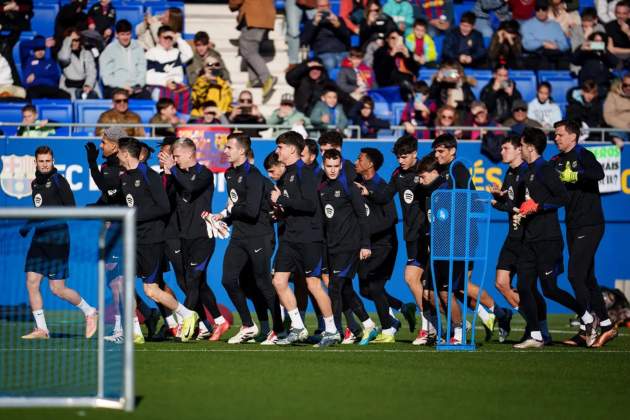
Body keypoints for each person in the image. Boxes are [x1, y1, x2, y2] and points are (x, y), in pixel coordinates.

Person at [202, 133, 282, 344]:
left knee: (263, 283)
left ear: (242, 151)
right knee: (228, 280)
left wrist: (227, 213)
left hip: (259, 235)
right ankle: (248, 325)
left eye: (229, 147)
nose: (225, 151)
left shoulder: (254, 176)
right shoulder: (230, 174)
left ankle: (279, 329)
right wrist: (222, 220)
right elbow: (235, 207)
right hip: (239, 236)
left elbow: (251, 211)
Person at [117, 137, 199, 344]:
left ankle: (187, 314)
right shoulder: (124, 177)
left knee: (151, 290)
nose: (116, 155)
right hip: (132, 239)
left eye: (118, 152)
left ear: (126, 154)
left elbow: (163, 207)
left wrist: (134, 215)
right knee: (121, 284)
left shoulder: (149, 175)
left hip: (151, 240)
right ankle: (135, 332)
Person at [432, 134, 511, 341]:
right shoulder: (443, 170)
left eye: (441, 151)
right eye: (436, 150)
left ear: (452, 151)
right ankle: (496, 314)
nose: (437, 154)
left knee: (457, 287)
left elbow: (472, 201)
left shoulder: (457, 169)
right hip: (452, 236)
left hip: (462, 237)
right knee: (458, 287)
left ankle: (493, 314)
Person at [551, 120, 618, 348]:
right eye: (555, 135)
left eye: (560, 135)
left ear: (573, 136)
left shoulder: (583, 154)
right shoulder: (556, 161)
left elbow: (598, 173)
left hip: (590, 224)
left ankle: (590, 323)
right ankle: (607, 327)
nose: (556, 138)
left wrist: (576, 174)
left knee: (574, 275)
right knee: (588, 278)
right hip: (572, 224)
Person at [19, 146, 98, 340]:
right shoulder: (35, 183)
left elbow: (71, 209)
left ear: (53, 161)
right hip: (39, 238)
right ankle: (42, 329)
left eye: (48, 161)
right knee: (32, 282)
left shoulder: (59, 181)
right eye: (41, 161)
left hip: (57, 239)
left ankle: (89, 311)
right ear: (35, 162)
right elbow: (39, 210)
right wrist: (28, 225)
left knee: (57, 289)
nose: (45, 164)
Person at [269, 131, 338, 346]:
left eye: (280, 147)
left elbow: (310, 205)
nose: (277, 151)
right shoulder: (288, 174)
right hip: (290, 237)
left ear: (292, 149)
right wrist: (279, 211)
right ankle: (298, 327)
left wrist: (282, 200)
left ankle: (332, 330)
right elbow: (294, 205)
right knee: (279, 281)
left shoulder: (305, 173)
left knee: (313, 284)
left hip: (309, 237)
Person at [157, 138, 230, 342]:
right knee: (194, 283)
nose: (175, 159)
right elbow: (164, 198)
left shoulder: (204, 173)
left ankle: (188, 322)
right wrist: (167, 173)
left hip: (203, 237)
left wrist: (174, 170)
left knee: (192, 280)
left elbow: (190, 186)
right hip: (183, 236)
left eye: (177, 156)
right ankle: (216, 321)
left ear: (190, 154)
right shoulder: (176, 174)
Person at [364, 135, 432, 345]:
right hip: (411, 236)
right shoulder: (397, 174)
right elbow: (385, 196)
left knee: (426, 283)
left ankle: (437, 326)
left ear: (414, 154)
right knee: (419, 282)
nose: (401, 161)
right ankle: (435, 326)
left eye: (404, 157)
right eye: (398, 157)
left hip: (428, 234)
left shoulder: (426, 172)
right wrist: (368, 192)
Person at [513, 127, 570, 348]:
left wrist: (539, 206)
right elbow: (520, 204)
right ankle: (535, 335)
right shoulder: (526, 172)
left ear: (529, 146)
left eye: (521, 144)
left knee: (550, 288)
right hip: (530, 238)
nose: (519, 148)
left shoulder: (545, 169)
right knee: (524, 286)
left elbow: (562, 198)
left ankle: (586, 316)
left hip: (548, 238)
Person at [354, 147, 416, 343]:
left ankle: (388, 330)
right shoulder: (359, 184)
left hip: (384, 245)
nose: (356, 161)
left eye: (360, 158)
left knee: (375, 285)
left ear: (370, 164)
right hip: (367, 244)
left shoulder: (381, 186)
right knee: (365, 289)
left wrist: (365, 232)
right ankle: (402, 308)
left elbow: (390, 219)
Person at [318, 148, 378, 346]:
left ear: (341, 165)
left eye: (336, 166)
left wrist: (365, 244)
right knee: (345, 290)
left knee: (335, 288)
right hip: (332, 246)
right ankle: (369, 325)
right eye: (329, 166)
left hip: (349, 246)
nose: (333, 170)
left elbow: (363, 216)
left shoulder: (349, 187)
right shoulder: (323, 188)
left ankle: (332, 332)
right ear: (323, 165)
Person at [416, 154, 467, 344]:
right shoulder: (431, 193)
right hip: (436, 250)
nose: (421, 181)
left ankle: (459, 333)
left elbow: (454, 220)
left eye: (423, 177)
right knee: (428, 293)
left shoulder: (447, 190)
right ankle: (455, 325)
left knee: (447, 293)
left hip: (452, 249)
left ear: (435, 173)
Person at [489, 135, 528, 342]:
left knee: (528, 288)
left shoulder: (526, 173)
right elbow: (510, 202)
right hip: (512, 236)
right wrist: (499, 196)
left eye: (505, 148)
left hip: (525, 237)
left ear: (518, 150)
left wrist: (498, 204)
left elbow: (522, 208)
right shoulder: (510, 172)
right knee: (501, 283)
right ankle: (533, 323)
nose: (502, 152)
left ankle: (537, 326)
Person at [228, 0, 277, 102]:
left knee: (248, 51)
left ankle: (266, 78)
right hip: (266, 17)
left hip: (254, 16)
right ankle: (254, 79)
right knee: (251, 50)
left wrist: (232, 5)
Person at [145, 25, 193, 113]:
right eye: (165, 37)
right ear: (159, 38)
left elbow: (189, 55)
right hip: (160, 85)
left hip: (177, 84)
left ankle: (182, 121)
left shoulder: (176, 52)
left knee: (188, 93)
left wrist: (178, 38)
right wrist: (166, 82)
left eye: (170, 38)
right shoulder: (151, 52)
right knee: (169, 97)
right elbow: (148, 76)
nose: (168, 40)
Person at [99, 19, 150, 100]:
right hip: (117, 86)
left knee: (146, 94)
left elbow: (142, 70)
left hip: (135, 86)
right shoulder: (109, 50)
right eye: (122, 34)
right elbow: (106, 77)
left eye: (128, 34)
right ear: (116, 35)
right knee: (120, 97)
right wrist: (122, 86)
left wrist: (135, 86)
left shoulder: (138, 47)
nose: (125, 37)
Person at [302, 0, 352, 73]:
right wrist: (315, 24)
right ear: (317, 7)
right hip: (324, 53)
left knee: (353, 63)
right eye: (321, 6)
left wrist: (338, 25)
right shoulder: (311, 22)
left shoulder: (339, 20)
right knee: (330, 62)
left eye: (326, 6)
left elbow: (348, 39)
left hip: (342, 52)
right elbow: (304, 41)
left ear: (330, 6)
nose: (324, 9)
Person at [520, 0, 571, 69]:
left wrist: (556, 46)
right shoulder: (527, 25)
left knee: (565, 57)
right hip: (536, 56)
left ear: (548, 10)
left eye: (543, 9)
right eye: (537, 9)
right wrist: (543, 43)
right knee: (543, 59)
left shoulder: (555, 25)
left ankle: (563, 78)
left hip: (555, 54)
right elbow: (527, 45)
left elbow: (564, 44)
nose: (540, 12)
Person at [373, 29, 419, 98]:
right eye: (393, 38)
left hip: (406, 82)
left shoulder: (405, 51)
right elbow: (381, 72)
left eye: (398, 38)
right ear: (387, 39)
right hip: (388, 82)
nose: (395, 41)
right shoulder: (380, 52)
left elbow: (415, 72)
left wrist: (408, 56)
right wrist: (392, 54)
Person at [58, 30, 99, 99]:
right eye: (72, 40)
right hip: (69, 87)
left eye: (76, 40)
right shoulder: (62, 53)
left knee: (92, 95)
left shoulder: (87, 53)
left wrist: (88, 85)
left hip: (85, 85)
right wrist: (69, 39)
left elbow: (91, 71)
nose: (74, 43)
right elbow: (64, 58)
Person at [603, 74, 630, 146]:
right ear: (621, 84)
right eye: (625, 85)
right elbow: (608, 117)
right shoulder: (613, 95)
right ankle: (617, 142)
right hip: (620, 129)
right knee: (616, 132)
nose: (628, 88)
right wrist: (626, 126)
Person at [604, 0, 630, 66]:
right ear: (615, 13)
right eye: (618, 13)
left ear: (629, 14)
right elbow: (610, 49)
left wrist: (628, 32)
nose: (621, 16)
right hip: (615, 57)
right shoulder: (609, 26)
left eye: (624, 13)